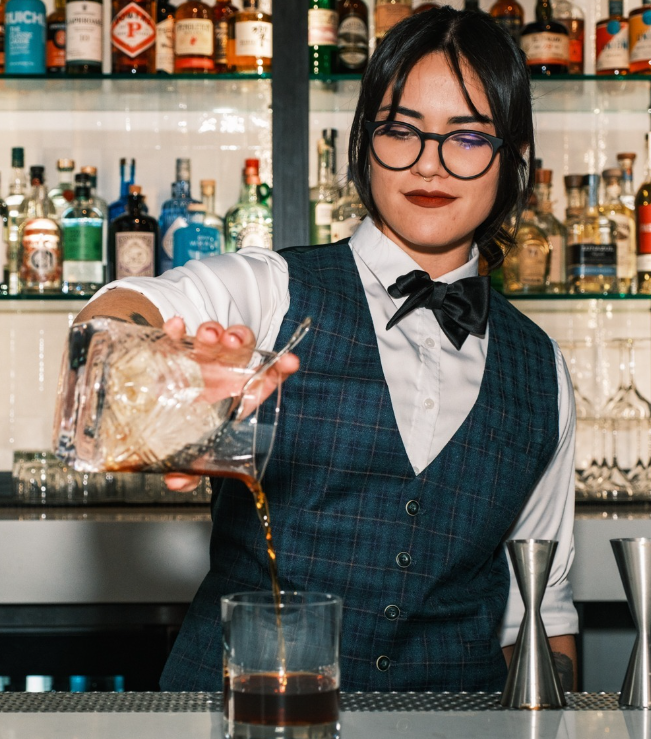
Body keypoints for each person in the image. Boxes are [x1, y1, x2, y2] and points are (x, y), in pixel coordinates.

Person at [75, 5, 578, 693]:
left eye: (466, 137)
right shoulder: (270, 286)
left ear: (513, 159)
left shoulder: (541, 366)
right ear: (362, 143)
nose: (428, 164)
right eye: (401, 131)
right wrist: (152, 371)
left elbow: (540, 608)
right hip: (236, 728)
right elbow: (127, 307)